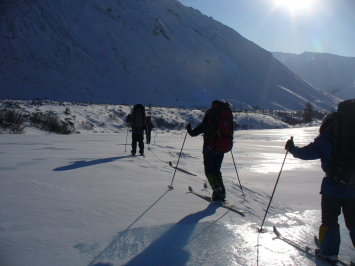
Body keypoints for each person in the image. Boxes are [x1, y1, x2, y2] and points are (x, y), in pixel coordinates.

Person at [285, 113, 355, 262]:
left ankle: (329, 252)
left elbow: (306, 153)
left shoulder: (328, 138)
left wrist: (291, 148)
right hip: (353, 188)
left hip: (332, 189)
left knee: (330, 220)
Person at [186, 100, 233, 201]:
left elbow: (194, 133)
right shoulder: (225, 117)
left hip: (209, 149)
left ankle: (216, 190)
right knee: (216, 171)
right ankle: (222, 192)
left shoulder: (208, 120)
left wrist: (189, 129)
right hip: (221, 148)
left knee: (209, 171)